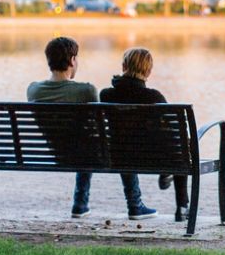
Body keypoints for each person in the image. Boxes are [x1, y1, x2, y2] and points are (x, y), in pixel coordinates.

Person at [26, 36, 156, 220]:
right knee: (117, 141)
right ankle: (135, 205)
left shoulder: (33, 90)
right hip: (86, 155)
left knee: (82, 139)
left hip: (54, 153)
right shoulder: (85, 90)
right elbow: (99, 126)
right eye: (76, 58)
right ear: (72, 60)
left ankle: (80, 204)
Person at [99, 47, 190, 220]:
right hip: (154, 158)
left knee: (124, 141)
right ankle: (182, 207)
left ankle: (138, 202)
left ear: (123, 65)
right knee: (180, 145)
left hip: (118, 155)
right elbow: (176, 128)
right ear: (148, 71)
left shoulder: (106, 95)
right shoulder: (153, 97)